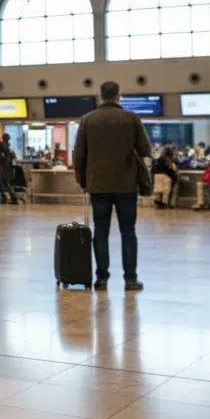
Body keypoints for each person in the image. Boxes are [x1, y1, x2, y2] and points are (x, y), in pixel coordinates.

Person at [73, 81, 152, 291]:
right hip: (126, 185)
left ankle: (101, 279)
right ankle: (131, 279)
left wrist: (83, 181)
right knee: (128, 231)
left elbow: (78, 154)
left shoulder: (87, 120)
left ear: (101, 95)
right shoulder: (131, 118)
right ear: (118, 96)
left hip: (98, 186)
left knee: (101, 231)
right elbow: (146, 149)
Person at [0, 133, 18, 204]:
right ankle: (11, 197)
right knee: (5, 183)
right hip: (8, 167)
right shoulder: (10, 147)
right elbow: (14, 157)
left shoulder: (2, 146)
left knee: (2, 183)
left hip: (3, 167)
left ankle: (10, 197)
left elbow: (0, 157)